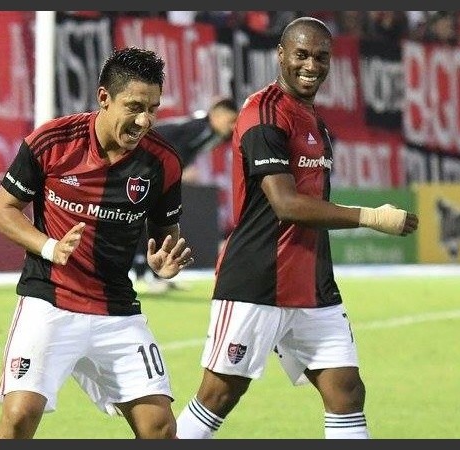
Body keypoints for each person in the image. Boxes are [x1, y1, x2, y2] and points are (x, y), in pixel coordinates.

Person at [174, 17, 418, 439]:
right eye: (301, 55)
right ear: (281, 55)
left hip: (312, 285)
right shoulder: (263, 113)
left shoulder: (315, 122)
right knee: (219, 395)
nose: (311, 65)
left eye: (321, 57)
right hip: (257, 281)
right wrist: (373, 217)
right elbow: (286, 204)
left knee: (346, 391)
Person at [0, 47, 195, 439]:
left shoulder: (163, 161)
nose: (144, 120)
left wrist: (163, 260)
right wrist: (49, 247)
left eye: (153, 108)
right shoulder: (52, 141)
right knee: (19, 416)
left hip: (116, 308)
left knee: (160, 427)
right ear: (104, 97)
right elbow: (3, 211)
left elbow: (165, 232)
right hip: (49, 301)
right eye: (134, 107)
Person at [132, 97, 239, 293]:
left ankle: (157, 275)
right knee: (147, 221)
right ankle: (144, 275)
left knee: (158, 222)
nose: (232, 126)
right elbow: (172, 147)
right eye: (230, 120)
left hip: (154, 170)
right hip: (143, 165)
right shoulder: (200, 128)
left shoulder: (213, 133)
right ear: (217, 115)